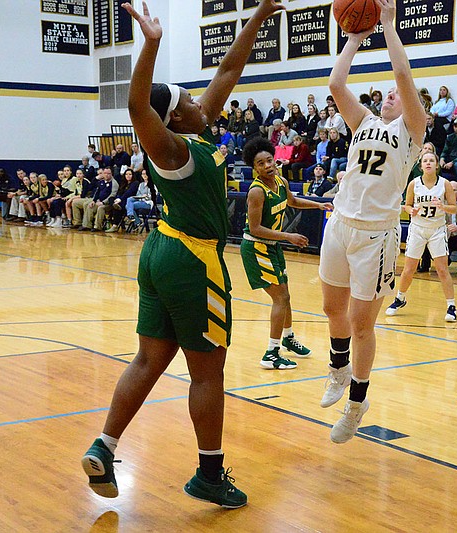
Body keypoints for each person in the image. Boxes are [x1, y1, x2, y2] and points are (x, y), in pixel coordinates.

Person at [81, 0, 284, 509]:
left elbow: (230, 69)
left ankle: (103, 448)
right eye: (191, 97)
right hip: (193, 261)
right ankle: (210, 474)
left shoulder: (198, 132)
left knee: (150, 357)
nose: (202, 99)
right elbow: (137, 108)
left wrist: (259, 14)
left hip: (160, 251)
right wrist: (149, 45)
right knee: (208, 370)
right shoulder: (174, 151)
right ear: (177, 114)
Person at [319, 0, 426, 444]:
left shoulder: (412, 130)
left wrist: (386, 25)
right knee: (331, 310)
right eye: (386, 92)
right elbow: (335, 82)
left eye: (396, 94)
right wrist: (355, 38)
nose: (390, 93)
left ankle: (357, 404)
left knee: (363, 324)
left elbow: (403, 75)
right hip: (340, 223)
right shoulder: (361, 122)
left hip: (376, 237)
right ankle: (338, 367)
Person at [240, 137, 332, 369]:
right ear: (255, 168)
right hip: (257, 247)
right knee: (280, 298)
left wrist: (318, 204)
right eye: (261, 163)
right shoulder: (256, 192)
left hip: (272, 247)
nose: (267, 165)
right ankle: (271, 352)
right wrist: (288, 236)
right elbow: (255, 228)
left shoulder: (280, 181)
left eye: (269, 160)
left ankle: (288, 337)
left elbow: (292, 201)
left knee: (286, 295)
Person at [386, 152, 457, 317]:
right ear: (421, 165)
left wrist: (443, 207)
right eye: (425, 161)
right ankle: (400, 298)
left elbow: (454, 207)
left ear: (436, 165)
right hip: (418, 228)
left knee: (442, 269)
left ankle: (451, 306)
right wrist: (412, 210)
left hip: (437, 229)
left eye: (431, 160)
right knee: (409, 268)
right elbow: (407, 205)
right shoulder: (414, 184)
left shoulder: (445, 184)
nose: (428, 163)